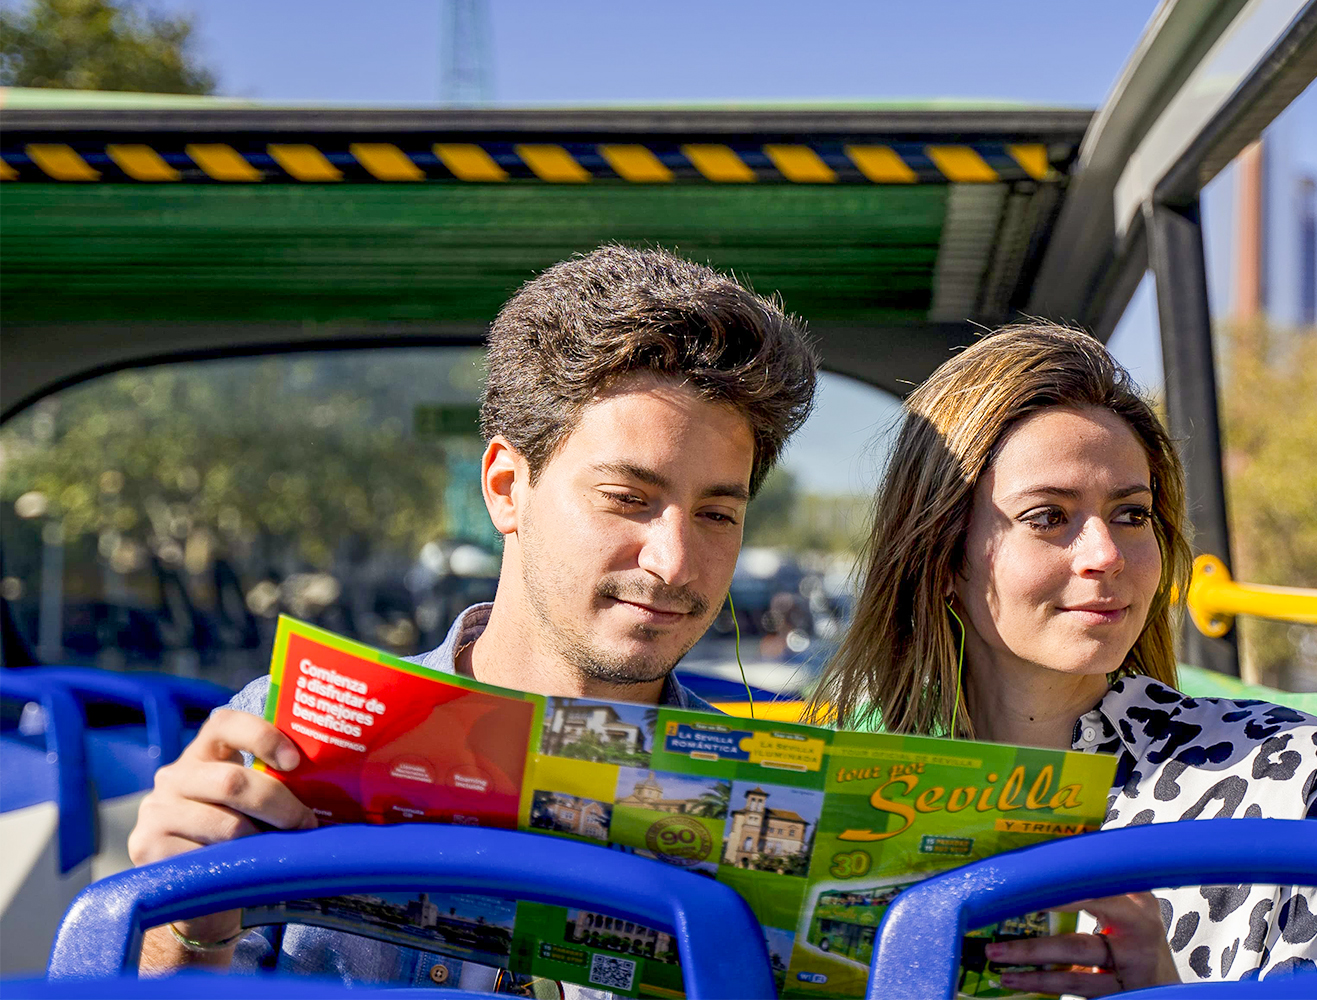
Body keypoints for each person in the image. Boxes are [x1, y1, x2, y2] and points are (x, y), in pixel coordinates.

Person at [128, 245, 818, 989]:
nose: (674, 562)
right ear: (504, 487)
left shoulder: (766, 803)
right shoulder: (289, 738)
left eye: (718, 513)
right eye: (628, 499)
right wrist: (184, 928)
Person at [807, 322, 1317, 994]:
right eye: (1048, 517)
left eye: (1131, 514)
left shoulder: (1292, 778)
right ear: (943, 557)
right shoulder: (847, 782)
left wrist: (1160, 989)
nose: (1107, 555)